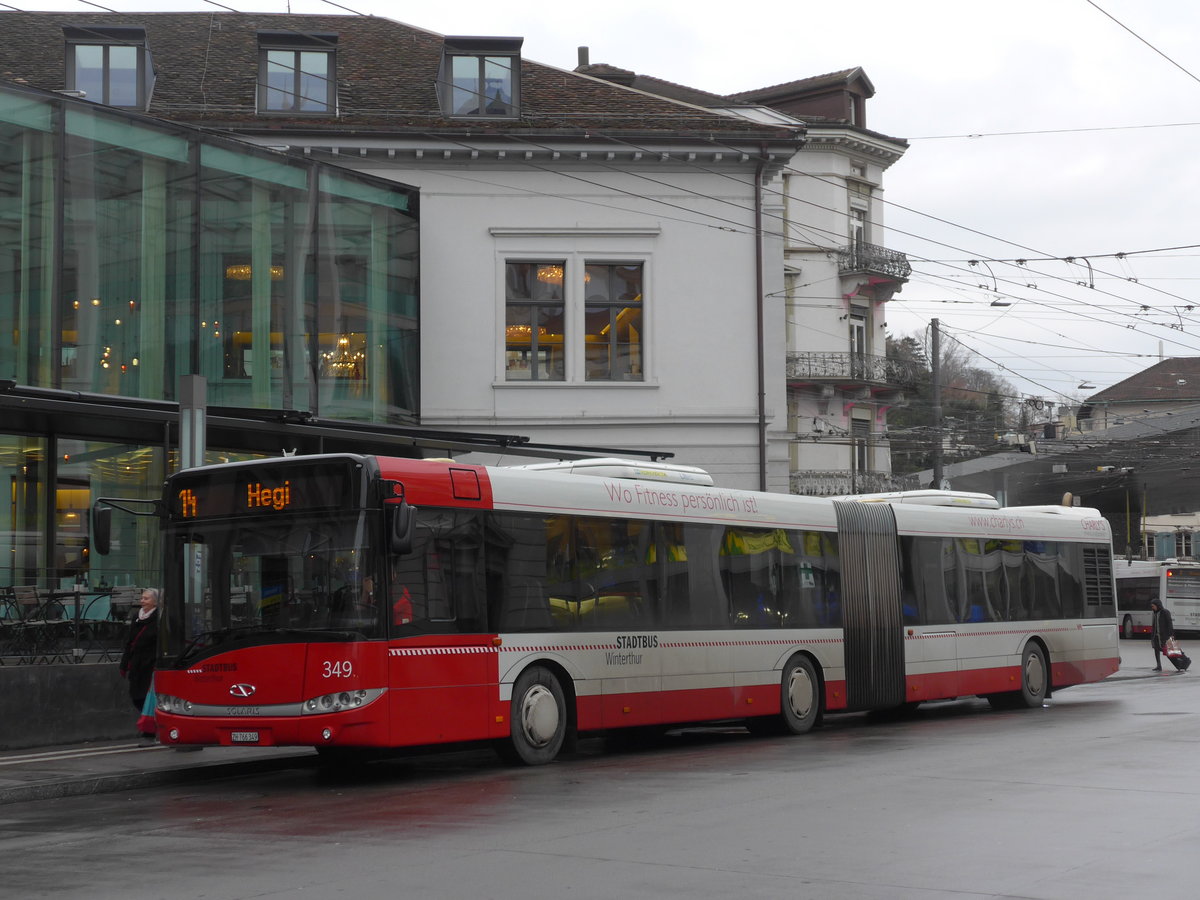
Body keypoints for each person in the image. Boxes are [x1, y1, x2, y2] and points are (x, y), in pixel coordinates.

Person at [119, 588, 159, 738]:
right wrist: (124, 664)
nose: (142, 601)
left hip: (151, 664)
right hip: (136, 663)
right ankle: (152, 721)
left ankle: (149, 731)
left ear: (155, 601)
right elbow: (130, 642)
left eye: (146, 599)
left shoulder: (158, 618)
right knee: (136, 696)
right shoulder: (137, 617)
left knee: (146, 696)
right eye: (142, 598)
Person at [1150, 598, 1182, 672]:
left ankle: (1179, 665)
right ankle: (1159, 666)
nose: (1152, 608)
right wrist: (1152, 636)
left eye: (1153, 606)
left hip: (1165, 636)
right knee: (1156, 650)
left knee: (1170, 651)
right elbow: (1154, 625)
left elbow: (1169, 624)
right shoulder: (1154, 613)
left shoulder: (1165, 612)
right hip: (1156, 636)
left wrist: (1171, 635)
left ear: (1158, 605)